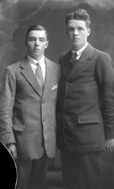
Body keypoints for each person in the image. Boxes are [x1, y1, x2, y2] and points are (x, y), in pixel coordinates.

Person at [57, 8, 114, 189]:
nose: (75, 33)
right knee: (70, 184)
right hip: (66, 137)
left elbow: (109, 99)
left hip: (90, 137)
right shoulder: (63, 59)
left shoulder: (101, 58)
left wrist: (110, 135)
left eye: (80, 28)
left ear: (88, 31)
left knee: (93, 184)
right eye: (71, 29)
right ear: (67, 31)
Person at [0, 24, 60, 189]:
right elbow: (4, 110)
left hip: (47, 142)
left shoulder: (57, 70)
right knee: (20, 185)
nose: (37, 44)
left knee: (39, 186)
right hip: (22, 143)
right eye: (32, 39)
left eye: (41, 40)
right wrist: (9, 141)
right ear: (26, 42)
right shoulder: (12, 71)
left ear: (46, 44)